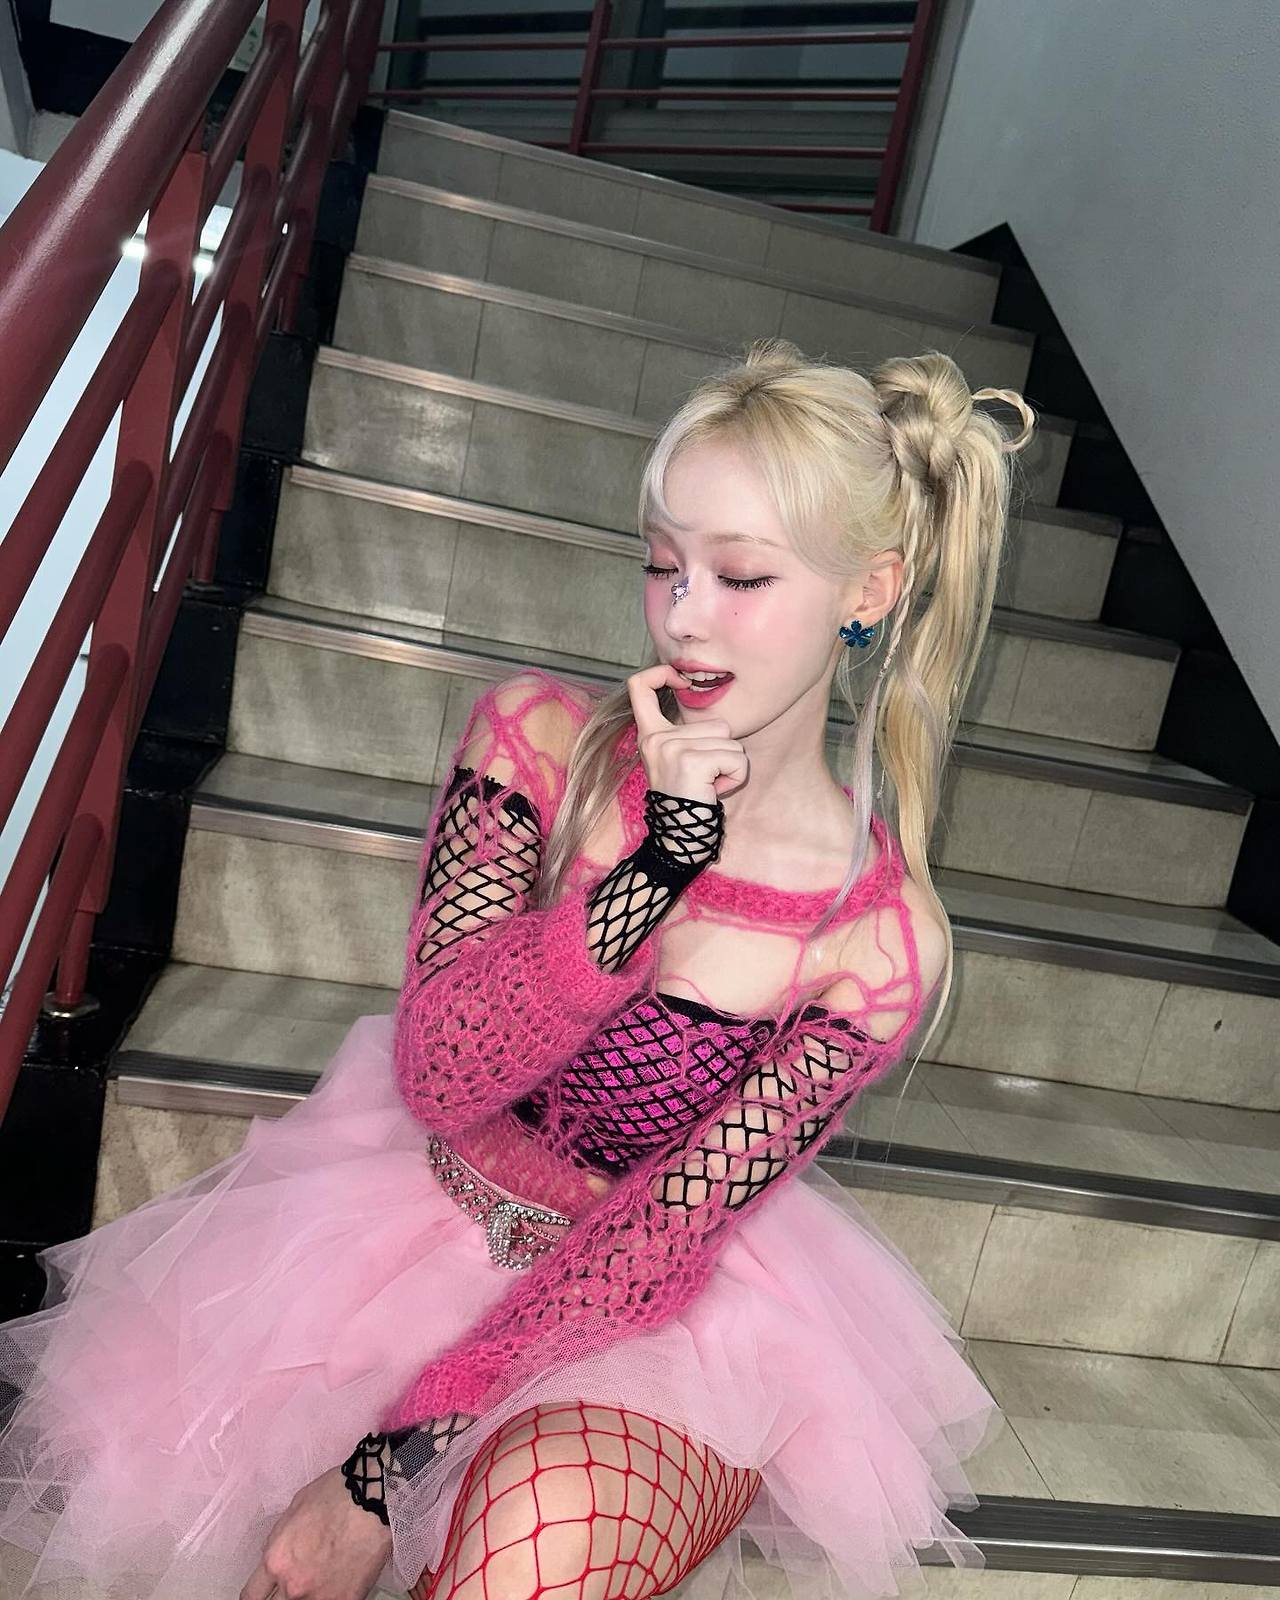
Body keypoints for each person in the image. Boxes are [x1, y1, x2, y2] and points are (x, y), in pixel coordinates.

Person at [0, 337, 1035, 1600]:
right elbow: (443, 1075)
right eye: (661, 563)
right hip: (411, 1212)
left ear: (865, 593)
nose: (683, 616)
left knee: (524, 1552)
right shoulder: (536, 743)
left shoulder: (876, 939)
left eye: (739, 574)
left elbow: (653, 1241)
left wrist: (383, 1473)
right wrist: (650, 875)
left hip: (645, 1312)